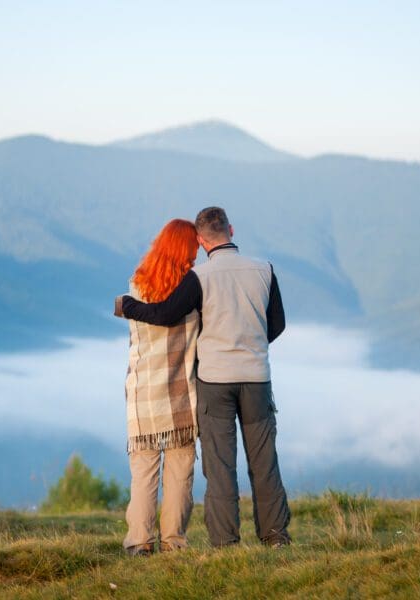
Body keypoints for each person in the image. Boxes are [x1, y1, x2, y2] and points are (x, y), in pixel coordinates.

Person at [115, 207, 290, 548]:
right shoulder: (264, 270)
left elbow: (164, 314)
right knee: (264, 460)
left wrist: (127, 306)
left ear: (201, 238)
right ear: (231, 229)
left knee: (220, 465)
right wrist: (251, 344)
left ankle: (223, 540)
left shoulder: (199, 278)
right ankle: (274, 536)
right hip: (253, 377)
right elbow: (278, 325)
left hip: (206, 384)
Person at [118, 219, 201, 557]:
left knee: (143, 471)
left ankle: (139, 541)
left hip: (141, 393)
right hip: (181, 394)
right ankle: (173, 541)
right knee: (180, 470)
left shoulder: (135, 286)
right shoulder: (193, 288)